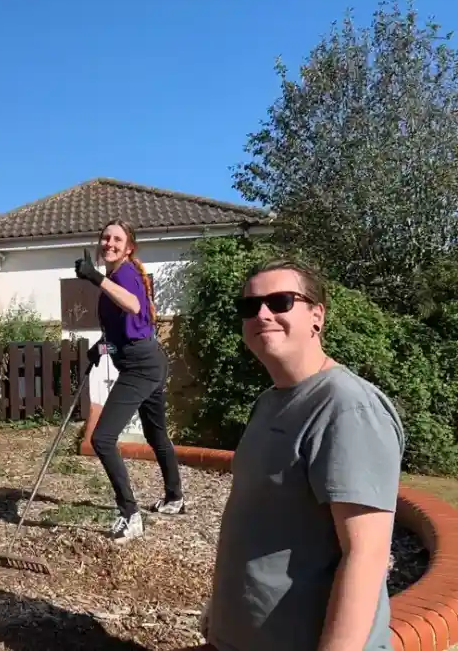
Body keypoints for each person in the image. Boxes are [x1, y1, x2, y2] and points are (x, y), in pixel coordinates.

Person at [202, 259, 405, 651]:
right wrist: (222, 611)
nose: (262, 314)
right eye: (250, 306)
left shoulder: (346, 408)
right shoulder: (269, 403)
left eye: (280, 301)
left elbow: (366, 555)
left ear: (316, 316)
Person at [74, 219, 185, 545]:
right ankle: (175, 498)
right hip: (144, 359)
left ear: (129, 247)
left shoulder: (124, 275)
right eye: (105, 237)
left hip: (142, 366)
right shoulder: (115, 277)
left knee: (103, 438)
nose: (109, 243)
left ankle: (129, 514)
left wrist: (94, 277)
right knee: (156, 433)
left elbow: (133, 305)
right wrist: (100, 348)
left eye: (117, 239)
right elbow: (125, 332)